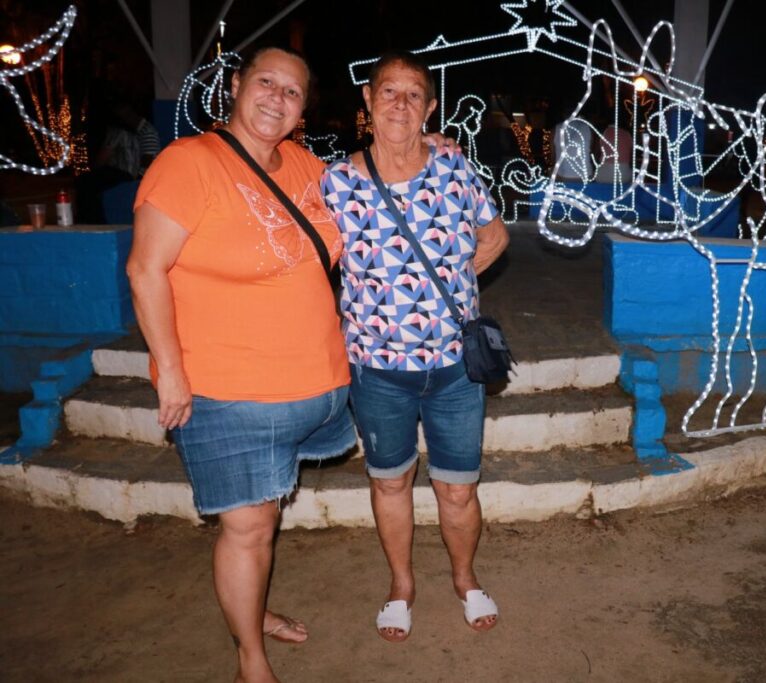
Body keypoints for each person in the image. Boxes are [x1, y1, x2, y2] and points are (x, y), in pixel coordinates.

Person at [126, 47, 355, 683]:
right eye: (266, 82)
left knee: (264, 517)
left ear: (303, 110)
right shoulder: (189, 162)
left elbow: (375, 194)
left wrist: (429, 146)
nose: (277, 98)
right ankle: (250, 659)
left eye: (292, 91)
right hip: (228, 391)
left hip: (313, 384)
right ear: (235, 85)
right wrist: (171, 371)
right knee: (250, 527)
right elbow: (144, 270)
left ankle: (251, 611)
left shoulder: (307, 166)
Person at [321, 50, 510, 644]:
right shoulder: (334, 182)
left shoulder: (454, 168)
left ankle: (465, 579)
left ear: (430, 107)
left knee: (458, 487)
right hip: (377, 370)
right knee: (390, 483)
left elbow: (494, 235)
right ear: (368, 100)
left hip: (455, 368)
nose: (399, 104)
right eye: (388, 91)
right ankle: (401, 586)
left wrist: (453, 281)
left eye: (413, 95)